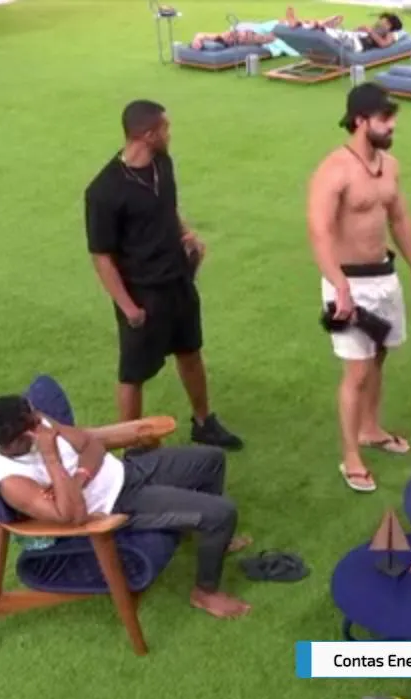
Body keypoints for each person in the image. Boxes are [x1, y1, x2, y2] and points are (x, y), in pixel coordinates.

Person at [0, 393, 252, 618]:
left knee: (212, 460)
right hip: (121, 504)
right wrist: (51, 457)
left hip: (127, 470)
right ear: (19, 439)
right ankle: (205, 593)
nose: (42, 423)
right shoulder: (13, 483)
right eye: (35, 425)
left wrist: (78, 479)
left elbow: (91, 445)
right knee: (221, 514)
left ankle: (212, 541)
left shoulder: (34, 420)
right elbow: (72, 515)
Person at [84, 100, 243, 451]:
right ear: (147, 134)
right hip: (142, 293)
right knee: (133, 373)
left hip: (178, 281)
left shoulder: (162, 163)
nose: (169, 134)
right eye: (165, 129)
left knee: (190, 351)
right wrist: (128, 307)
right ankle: (133, 447)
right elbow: (102, 257)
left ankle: (204, 422)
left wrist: (186, 234)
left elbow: (167, 207)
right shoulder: (104, 192)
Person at [307, 83, 411, 493]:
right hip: (348, 282)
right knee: (356, 371)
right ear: (360, 121)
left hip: (383, 275)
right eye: (384, 119)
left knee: (378, 357)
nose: (392, 126)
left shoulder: (389, 166)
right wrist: (338, 285)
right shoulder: (334, 170)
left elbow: (400, 218)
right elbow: (320, 232)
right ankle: (351, 457)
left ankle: (371, 429)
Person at [288, 9, 402, 52]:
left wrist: (370, 31)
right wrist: (360, 30)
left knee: (326, 31)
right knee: (328, 30)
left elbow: (384, 44)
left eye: (385, 23)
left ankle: (307, 24)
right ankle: (300, 23)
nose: (380, 23)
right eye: (381, 21)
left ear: (391, 26)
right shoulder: (375, 29)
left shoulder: (391, 34)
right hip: (353, 38)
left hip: (357, 45)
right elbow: (357, 33)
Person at [190, 27, 274, 50]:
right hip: (255, 37)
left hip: (251, 34)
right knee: (268, 38)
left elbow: (200, 34)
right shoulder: (225, 39)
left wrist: (197, 39)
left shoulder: (223, 36)